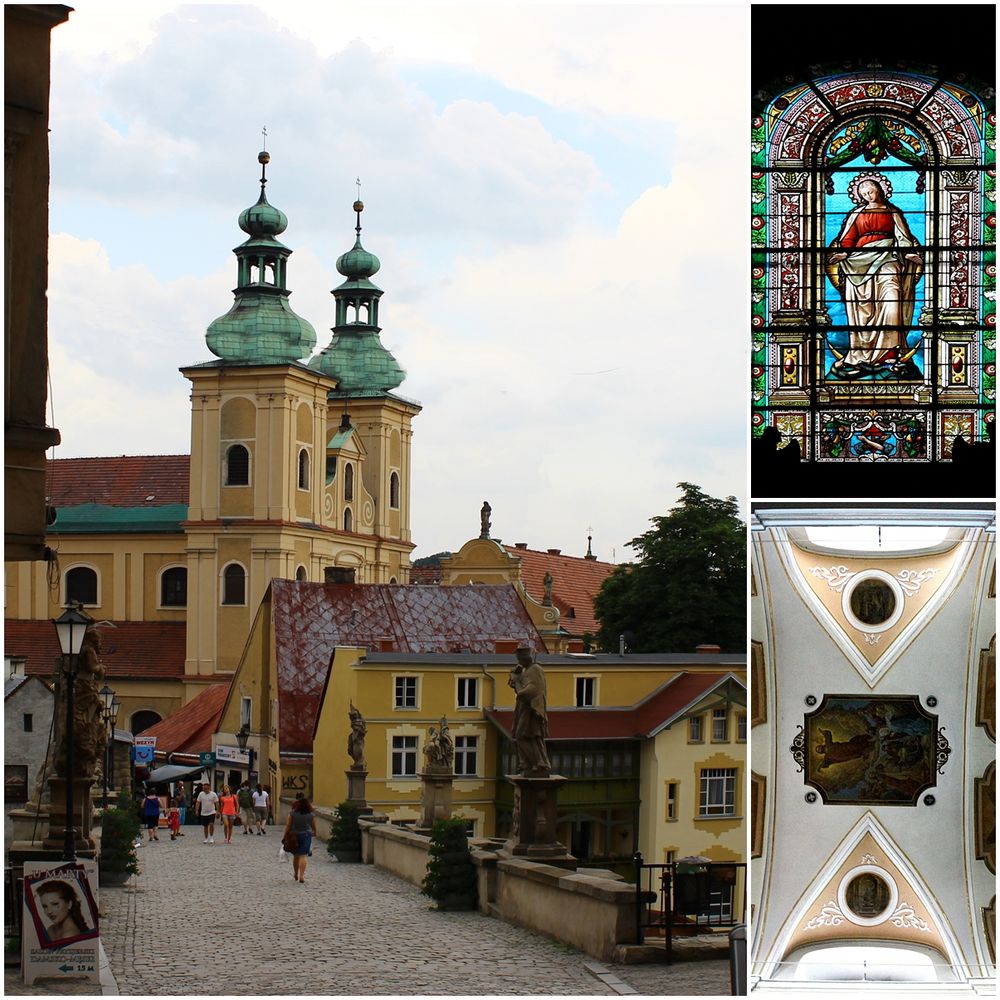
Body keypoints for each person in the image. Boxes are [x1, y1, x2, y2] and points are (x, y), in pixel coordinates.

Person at [827, 172, 922, 378]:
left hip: (888, 258)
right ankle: (861, 354)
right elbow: (848, 239)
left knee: (892, 300)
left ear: (879, 190)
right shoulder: (857, 213)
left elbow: (902, 237)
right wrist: (843, 254)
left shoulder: (892, 212)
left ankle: (890, 352)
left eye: (871, 190)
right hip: (859, 262)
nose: (868, 195)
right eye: (864, 193)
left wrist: (910, 254)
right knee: (862, 308)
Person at [508, 646, 551, 776]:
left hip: (532, 709)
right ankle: (528, 763)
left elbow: (533, 690)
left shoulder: (535, 669)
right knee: (525, 735)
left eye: (519, 659)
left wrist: (518, 683)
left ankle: (538, 762)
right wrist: (516, 680)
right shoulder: (526, 670)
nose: (518, 661)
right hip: (524, 708)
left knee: (524, 735)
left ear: (525, 658)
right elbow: (520, 687)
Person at [283, 796, 318, 883]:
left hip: (294, 836)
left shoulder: (292, 813)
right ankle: (301, 876)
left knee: (296, 856)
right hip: (306, 835)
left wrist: (285, 835)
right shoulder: (311, 814)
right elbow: (313, 825)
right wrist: (315, 832)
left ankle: (295, 873)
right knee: (303, 855)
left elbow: (288, 825)